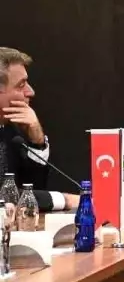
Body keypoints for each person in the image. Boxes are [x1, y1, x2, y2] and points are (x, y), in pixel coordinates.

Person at [0, 48, 78, 211]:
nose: (31, 92)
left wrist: (37, 141)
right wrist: (65, 200)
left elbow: (31, 192)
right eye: (21, 85)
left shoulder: (10, 131)